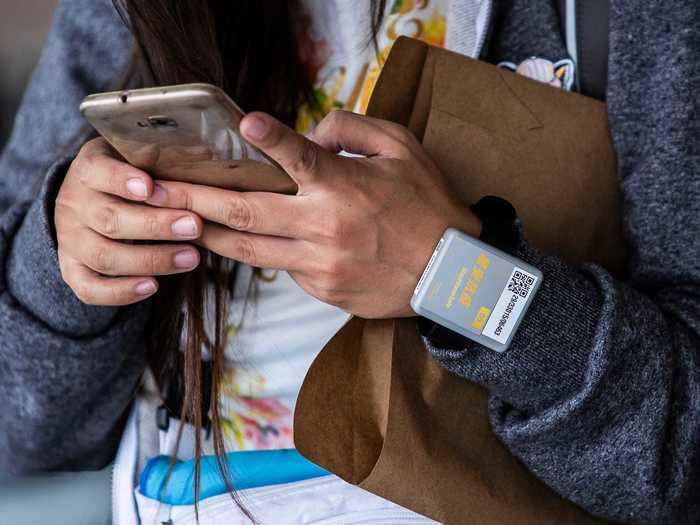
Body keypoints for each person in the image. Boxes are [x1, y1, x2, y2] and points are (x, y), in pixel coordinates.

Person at [0, 0, 698, 523]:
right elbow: (20, 432)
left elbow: (680, 455)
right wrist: (65, 253)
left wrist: (451, 271)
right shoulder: (137, 13)